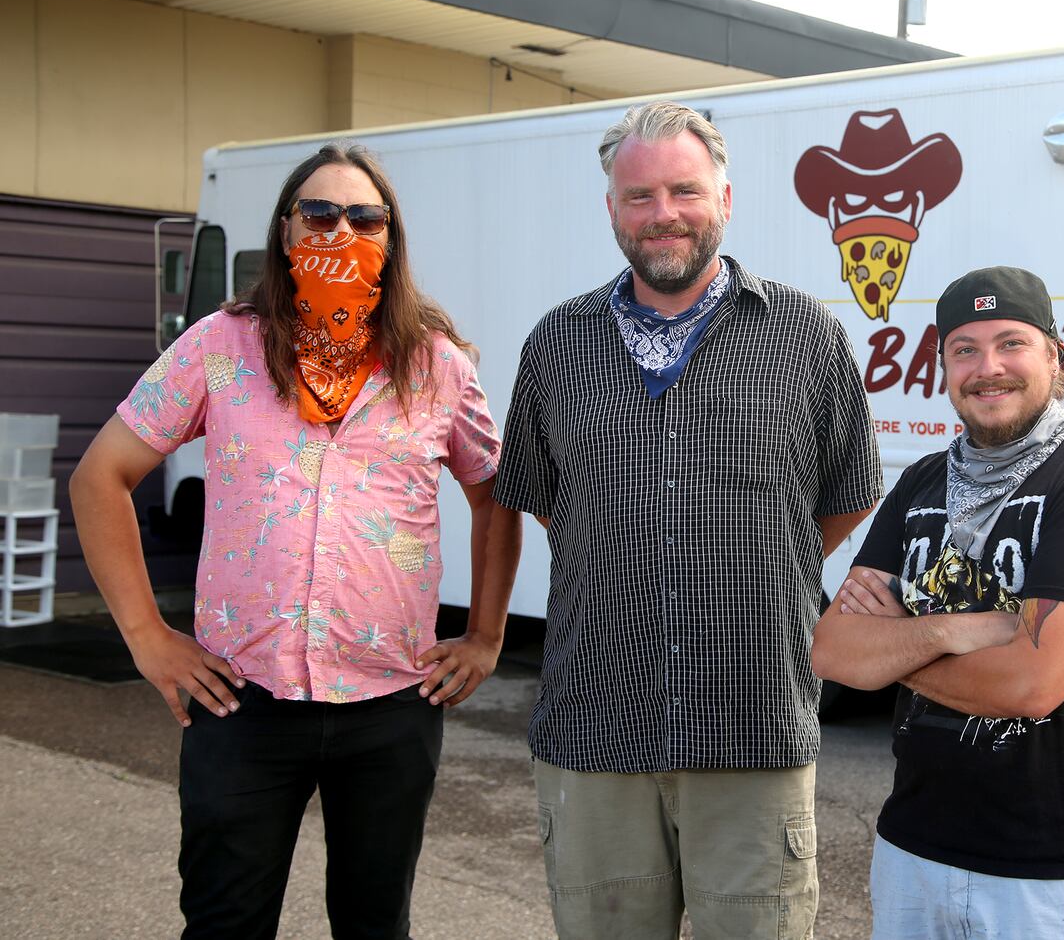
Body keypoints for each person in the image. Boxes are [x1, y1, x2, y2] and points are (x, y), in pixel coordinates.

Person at [70, 143, 523, 940]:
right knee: (223, 923)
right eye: (319, 213)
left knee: (374, 924)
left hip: (391, 703)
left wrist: (486, 636)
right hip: (242, 701)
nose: (340, 230)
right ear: (285, 233)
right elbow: (99, 475)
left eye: (364, 216)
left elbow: (495, 495)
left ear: (390, 237)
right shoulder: (219, 347)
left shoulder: (437, 366)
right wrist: (147, 637)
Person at [493, 101, 882, 939]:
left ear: (726, 199)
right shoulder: (556, 345)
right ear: (611, 210)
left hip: (754, 722)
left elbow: (847, 492)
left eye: (684, 190)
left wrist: (758, 557)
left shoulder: (806, 336)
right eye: (639, 197)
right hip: (596, 725)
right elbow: (548, 501)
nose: (662, 213)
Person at [811, 265, 1064, 940]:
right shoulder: (920, 483)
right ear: (942, 368)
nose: (987, 367)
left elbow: (1031, 682)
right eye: (964, 348)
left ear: (1054, 356)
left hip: (1051, 872)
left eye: (1010, 343)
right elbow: (833, 649)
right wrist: (960, 629)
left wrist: (894, 642)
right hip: (911, 849)